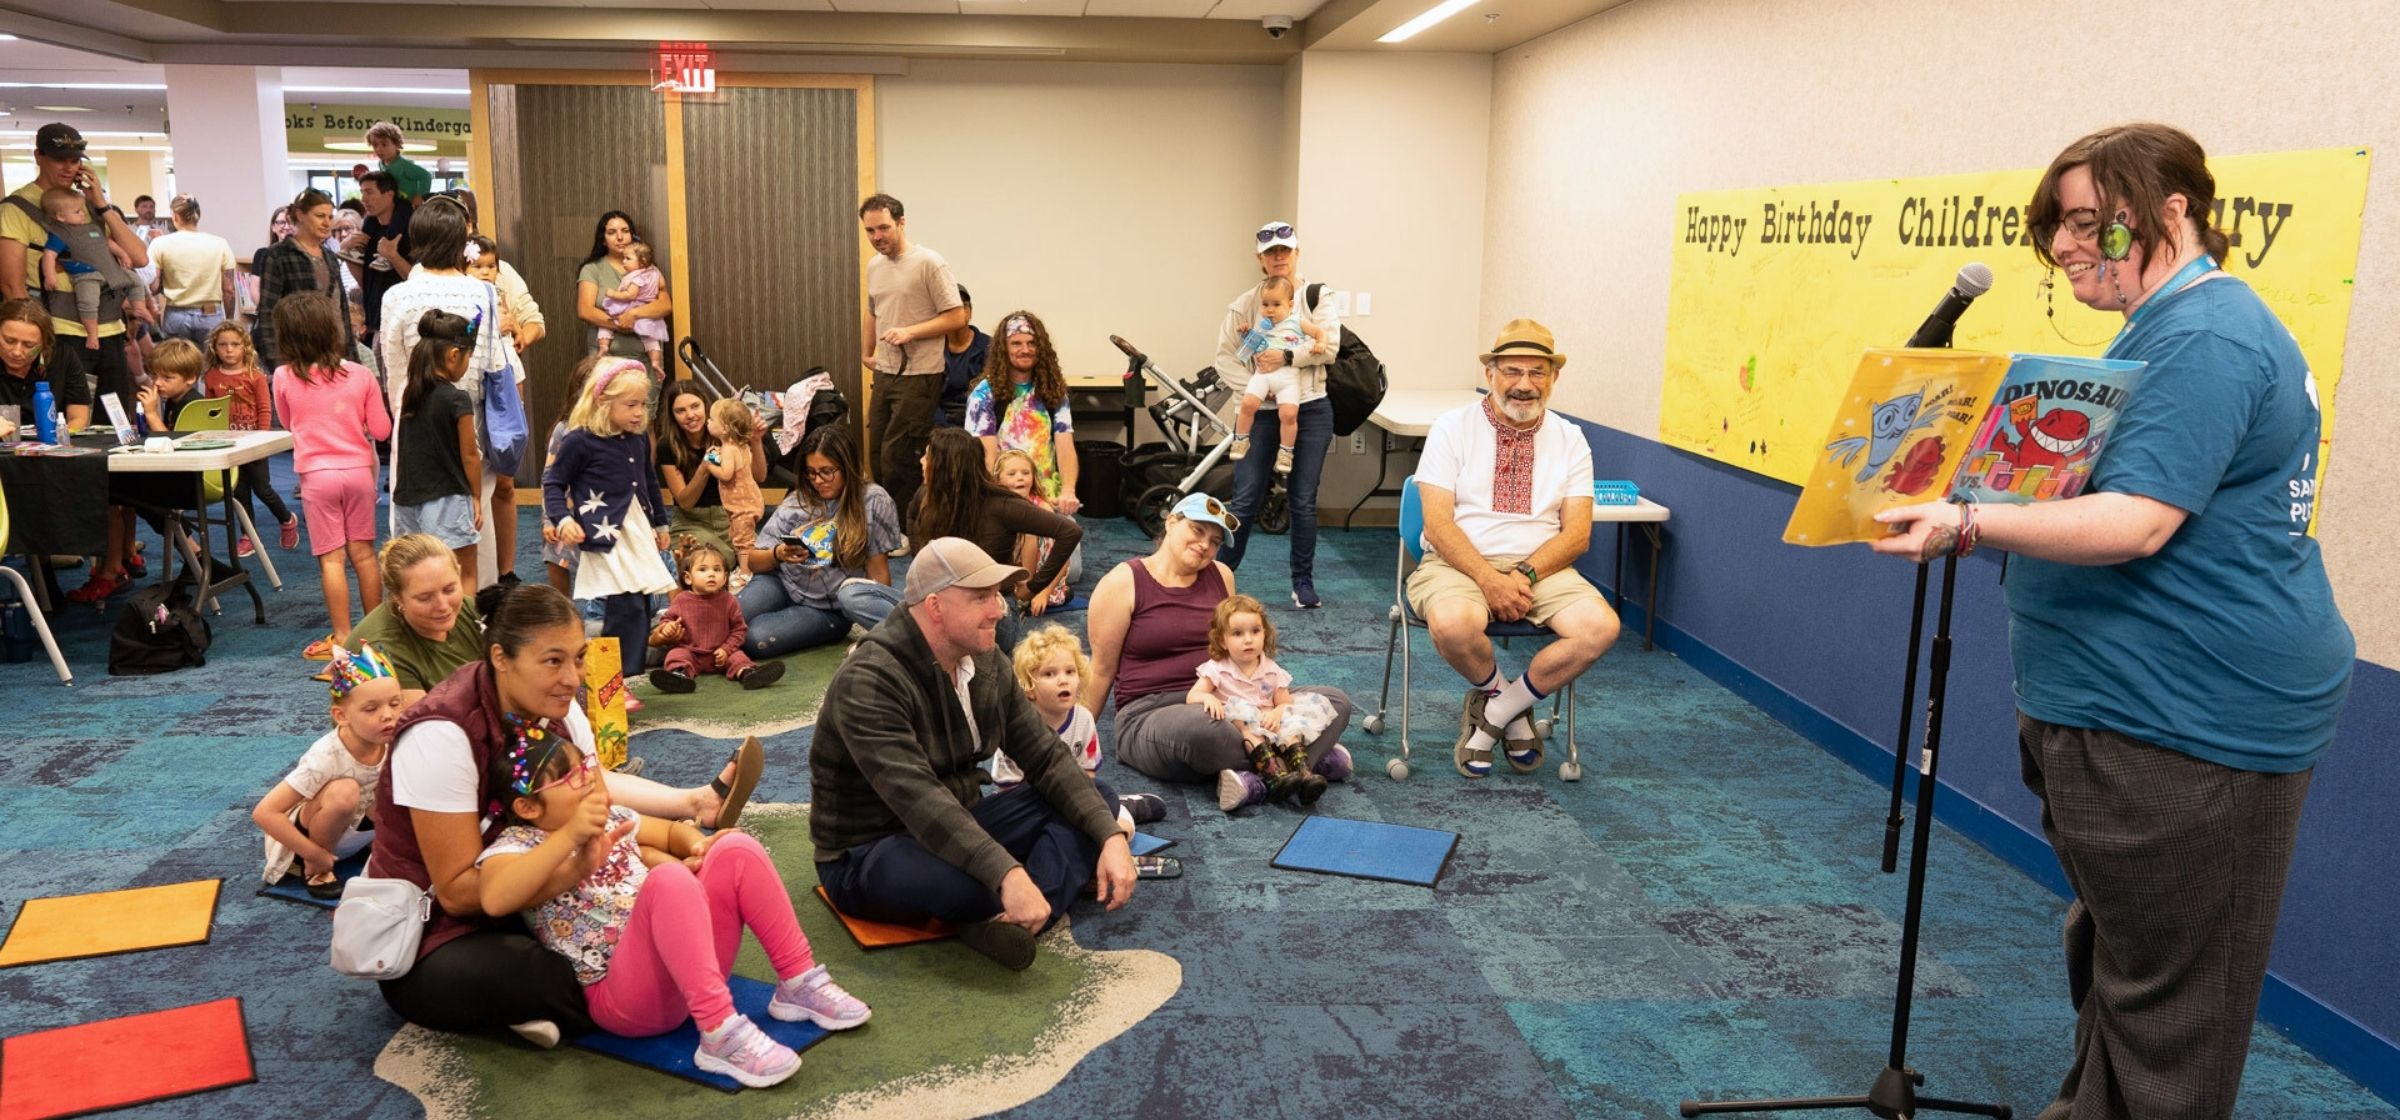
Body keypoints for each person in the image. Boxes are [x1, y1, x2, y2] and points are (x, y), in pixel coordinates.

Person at [1873, 123, 2354, 1120]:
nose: (2064, 245)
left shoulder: (2209, 336)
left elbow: (2139, 521)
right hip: (2124, 704)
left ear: (2173, 211)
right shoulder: (2165, 327)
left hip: (2190, 717)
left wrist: (1967, 523)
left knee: (2170, 1011)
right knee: (2124, 962)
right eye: (2058, 225)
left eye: (2092, 223)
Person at [369, 584, 764, 1041]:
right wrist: (580, 869)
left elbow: (604, 822)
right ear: (500, 658)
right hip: (441, 926)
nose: (573, 678)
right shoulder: (441, 734)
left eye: (578, 658)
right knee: (546, 974)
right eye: (553, 661)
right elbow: (458, 894)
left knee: (638, 925)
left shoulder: (561, 711)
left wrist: (674, 865)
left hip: (541, 899)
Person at [812, 537, 1137, 970]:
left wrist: (1109, 837)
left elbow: (1046, 757)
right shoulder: (870, 679)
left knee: (1098, 800)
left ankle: (1012, 914)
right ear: (935, 606)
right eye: (981, 597)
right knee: (956, 880)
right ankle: (1018, 897)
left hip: (959, 820)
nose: (998, 610)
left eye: (997, 595)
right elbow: (920, 800)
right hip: (869, 851)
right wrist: (1006, 872)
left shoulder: (985, 661)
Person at [476, 736, 869, 1088]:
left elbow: (667, 832)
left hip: (687, 971)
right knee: (667, 879)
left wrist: (697, 845)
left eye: (585, 767)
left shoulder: (612, 817)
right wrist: (570, 838)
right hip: (624, 999)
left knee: (735, 849)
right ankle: (719, 1033)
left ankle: (798, 983)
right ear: (527, 806)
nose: (588, 780)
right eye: (569, 778)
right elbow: (495, 898)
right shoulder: (515, 844)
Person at [1410, 318, 1617, 780]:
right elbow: (1438, 524)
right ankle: (1514, 708)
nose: (1525, 384)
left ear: (1554, 377)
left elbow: (1577, 534)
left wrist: (1523, 575)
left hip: (1542, 568)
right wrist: (1489, 579)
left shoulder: (1571, 438)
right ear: (1490, 374)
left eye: (1537, 372)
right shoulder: (1451, 428)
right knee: (1452, 624)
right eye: (1512, 371)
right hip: (1458, 562)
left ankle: (1498, 712)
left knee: (1600, 628)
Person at [1085, 493, 1355, 812]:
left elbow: (1236, 649)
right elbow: (1101, 670)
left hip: (1235, 698)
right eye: (1197, 530)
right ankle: (1302, 762)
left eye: (1214, 541)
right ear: (1171, 522)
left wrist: (1273, 700)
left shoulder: (1222, 574)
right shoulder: (1122, 582)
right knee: (1207, 733)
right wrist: (1073, 741)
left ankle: (1258, 780)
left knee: (1335, 702)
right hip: (1152, 713)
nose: (1205, 545)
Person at [378, 197, 512, 585]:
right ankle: (473, 608)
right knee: (473, 520)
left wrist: (404, 412)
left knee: (412, 525)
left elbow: (393, 368)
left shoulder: (396, 295)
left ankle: (417, 602)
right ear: (460, 240)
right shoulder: (483, 293)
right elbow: (492, 363)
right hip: (469, 414)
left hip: (414, 417)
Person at [1211, 221, 1338, 609]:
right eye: (1271, 252)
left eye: (1285, 250)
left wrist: (1285, 358)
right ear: (1260, 259)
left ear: (1297, 253)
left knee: (1303, 500)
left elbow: (1329, 347)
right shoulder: (1246, 304)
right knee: (1244, 499)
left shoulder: (1316, 298)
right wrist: (1260, 384)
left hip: (1310, 409)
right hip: (1260, 412)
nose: (1278, 257)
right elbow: (1225, 358)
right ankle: (1217, 580)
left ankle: (1303, 582)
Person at [271, 290, 393, 655]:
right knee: (364, 555)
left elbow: (288, 422)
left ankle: (342, 636)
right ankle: (375, 635)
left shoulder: (282, 376)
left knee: (332, 560)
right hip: (358, 473)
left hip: (316, 476)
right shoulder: (360, 374)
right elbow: (382, 430)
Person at [0, 124, 148, 409]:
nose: (69, 168)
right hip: (61, 332)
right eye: (60, 159)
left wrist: (101, 204)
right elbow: (11, 286)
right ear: (39, 156)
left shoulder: (87, 205)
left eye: (75, 160)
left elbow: (139, 258)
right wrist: (37, 342)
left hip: (110, 329)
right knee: (70, 419)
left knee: (114, 419)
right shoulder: (15, 209)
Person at [542, 357, 673, 675]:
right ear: (603, 402)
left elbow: (649, 481)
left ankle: (625, 673)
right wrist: (562, 520)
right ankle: (618, 676)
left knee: (640, 601)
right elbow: (553, 483)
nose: (639, 412)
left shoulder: (638, 438)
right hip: (605, 532)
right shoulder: (578, 441)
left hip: (636, 530)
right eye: (631, 405)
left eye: (643, 404)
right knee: (623, 603)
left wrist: (660, 523)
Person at [736, 424, 903, 658]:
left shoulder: (874, 501)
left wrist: (875, 627)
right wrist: (778, 553)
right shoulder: (798, 500)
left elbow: (878, 573)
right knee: (728, 619)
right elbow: (753, 561)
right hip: (781, 583)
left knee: (755, 638)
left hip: (829, 608)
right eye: (811, 472)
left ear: (848, 467)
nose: (818, 480)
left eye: (827, 471)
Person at [911, 427, 1081, 652]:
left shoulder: (1001, 505)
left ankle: (939, 644)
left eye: (927, 456)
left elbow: (1070, 532)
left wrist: (1034, 588)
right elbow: (912, 515)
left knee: (930, 627)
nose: (922, 461)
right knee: (866, 599)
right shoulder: (926, 497)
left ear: (945, 466)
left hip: (992, 610)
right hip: (945, 602)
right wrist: (920, 557)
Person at [252, 644, 401, 897]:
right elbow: (265, 813)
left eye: (395, 704)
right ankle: (315, 871)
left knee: (400, 781)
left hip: (353, 832)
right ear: (341, 716)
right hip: (305, 845)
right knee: (345, 791)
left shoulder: (392, 740)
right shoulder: (326, 756)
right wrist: (313, 854)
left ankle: (380, 848)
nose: (388, 715)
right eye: (371, 709)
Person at [858, 193, 965, 529]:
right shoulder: (875, 266)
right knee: (877, 452)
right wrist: (866, 352)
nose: (877, 237)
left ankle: (906, 527)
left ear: (901, 223)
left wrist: (911, 332)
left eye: (883, 228)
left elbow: (957, 316)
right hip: (886, 372)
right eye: (870, 231)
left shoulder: (930, 263)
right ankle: (887, 522)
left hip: (921, 374)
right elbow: (873, 310)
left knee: (900, 455)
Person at [1002, 625, 1170, 829]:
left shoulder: (1083, 719)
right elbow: (1008, 790)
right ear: (1028, 686)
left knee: (1119, 823)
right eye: (1049, 674)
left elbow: (1088, 776)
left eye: (1070, 671)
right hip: (1028, 804)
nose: (1063, 680)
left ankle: (1121, 807)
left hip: (1074, 798)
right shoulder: (1016, 726)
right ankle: (1119, 807)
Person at [1186, 593, 1338, 805]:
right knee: (1247, 723)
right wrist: (1206, 698)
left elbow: (1285, 702)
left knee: (1290, 728)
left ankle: (1304, 776)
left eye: (1255, 631)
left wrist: (1277, 713)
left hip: (1269, 720)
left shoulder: (1272, 670)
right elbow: (1192, 695)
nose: (1248, 640)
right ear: (1222, 640)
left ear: (1265, 633)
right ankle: (1273, 776)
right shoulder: (1217, 669)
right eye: (1237, 634)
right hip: (1241, 725)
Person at [463, 233, 540, 575]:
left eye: (490, 266)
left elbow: (533, 323)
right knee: (477, 479)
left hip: (506, 380)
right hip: (471, 387)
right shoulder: (458, 296)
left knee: (505, 476)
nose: (485, 272)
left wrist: (517, 327)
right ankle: (478, 572)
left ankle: (505, 571)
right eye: (477, 266)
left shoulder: (501, 291)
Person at [392, 309, 483, 591]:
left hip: (407, 499)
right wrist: (476, 497)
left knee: (414, 575)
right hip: (447, 499)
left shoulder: (411, 394)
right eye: (468, 356)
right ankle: (463, 620)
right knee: (462, 571)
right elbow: (470, 456)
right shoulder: (457, 399)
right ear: (454, 355)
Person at [965, 310, 1081, 517]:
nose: (1025, 350)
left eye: (1032, 343)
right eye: (1016, 343)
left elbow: (1065, 445)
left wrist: (1068, 491)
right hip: (1004, 495)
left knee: (1069, 532)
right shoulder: (984, 394)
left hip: (1047, 494)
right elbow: (987, 458)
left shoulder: (1053, 390)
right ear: (1004, 349)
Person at [201, 321, 298, 556]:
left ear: (245, 346)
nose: (229, 350)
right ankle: (249, 535)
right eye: (223, 345)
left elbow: (265, 408)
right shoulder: (212, 377)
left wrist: (261, 439)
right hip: (229, 443)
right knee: (239, 492)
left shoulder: (256, 377)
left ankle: (286, 519)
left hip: (253, 443)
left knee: (262, 488)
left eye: (235, 344)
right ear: (214, 348)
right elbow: (210, 411)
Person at [646, 538, 783, 694]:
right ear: (688, 578)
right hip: (690, 652)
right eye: (703, 569)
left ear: (724, 577)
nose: (711, 574)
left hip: (721, 654)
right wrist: (668, 628)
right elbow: (667, 620)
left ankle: (748, 673)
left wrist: (726, 649)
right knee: (675, 654)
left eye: (717, 570)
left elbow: (739, 630)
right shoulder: (681, 600)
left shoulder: (729, 601)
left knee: (738, 657)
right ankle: (679, 675)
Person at [1227, 275, 1328, 475]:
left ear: (1290, 305)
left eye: (1276, 304)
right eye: (1265, 304)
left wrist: (1321, 343)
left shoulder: (1297, 322)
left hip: (1288, 379)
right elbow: (1251, 347)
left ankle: (1286, 452)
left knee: (1288, 415)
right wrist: (1246, 333)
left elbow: (1320, 332)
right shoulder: (1262, 325)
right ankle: (1241, 439)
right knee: (1247, 404)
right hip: (1263, 375)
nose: (1270, 310)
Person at [652, 383, 750, 580]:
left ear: (705, 406)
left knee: (755, 557)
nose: (690, 415)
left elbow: (759, 476)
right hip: (691, 521)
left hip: (729, 517)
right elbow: (685, 502)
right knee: (715, 562)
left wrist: (755, 441)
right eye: (680, 411)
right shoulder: (666, 445)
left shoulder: (722, 434)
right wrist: (704, 468)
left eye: (695, 406)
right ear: (672, 415)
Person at [253, 190, 355, 376]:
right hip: (299, 356)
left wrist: (352, 356)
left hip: (335, 353)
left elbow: (342, 310)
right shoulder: (278, 255)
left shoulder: (330, 256)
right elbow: (268, 312)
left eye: (330, 217)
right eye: (320, 216)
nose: (327, 223)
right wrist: (277, 364)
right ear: (300, 215)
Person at [38, 187, 146, 348]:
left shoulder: (92, 228)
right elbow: (49, 255)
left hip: (108, 272)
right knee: (88, 300)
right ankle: (92, 334)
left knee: (134, 279)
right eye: (77, 212)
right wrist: (50, 276)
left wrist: (123, 254)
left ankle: (140, 307)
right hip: (85, 275)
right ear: (60, 216)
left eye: (82, 210)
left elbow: (107, 243)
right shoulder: (60, 235)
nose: (82, 214)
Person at [576, 212, 671, 365]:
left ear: (632, 236)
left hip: (646, 362)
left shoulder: (649, 269)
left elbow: (665, 305)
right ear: (603, 240)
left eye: (625, 231)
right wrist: (620, 324)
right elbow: (585, 311)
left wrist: (633, 315)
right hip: (605, 362)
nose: (620, 237)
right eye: (612, 232)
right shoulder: (592, 269)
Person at [148, 194, 237, 345]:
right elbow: (229, 289)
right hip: (210, 314)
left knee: (177, 359)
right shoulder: (220, 243)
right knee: (211, 358)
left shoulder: (160, 244)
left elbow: (153, 287)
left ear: (175, 216)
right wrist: (229, 320)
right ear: (198, 216)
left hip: (175, 315)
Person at [0, 298, 89, 433]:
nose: (17, 352)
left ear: (44, 344)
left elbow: (78, 418)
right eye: (9, 341)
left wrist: (60, 439)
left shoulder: (63, 357)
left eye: (29, 345)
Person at [347, 171, 413, 348]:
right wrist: (348, 254)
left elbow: (417, 280)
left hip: (405, 321)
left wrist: (392, 256)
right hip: (376, 319)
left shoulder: (410, 229)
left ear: (389, 194)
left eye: (369, 192)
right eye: (362, 192)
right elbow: (365, 281)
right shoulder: (369, 229)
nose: (363, 199)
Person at [594, 240, 669, 378]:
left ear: (642, 262)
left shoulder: (637, 277)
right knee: (651, 339)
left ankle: (604, 346)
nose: (624, 261)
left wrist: (612, 293)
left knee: (607, 322)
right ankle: (655, 362)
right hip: (647, 311)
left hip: (632, 306)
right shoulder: (654, 272)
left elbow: (630, 295)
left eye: (628, 259)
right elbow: (662, 285)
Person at [704, 398, 765, 554]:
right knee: (739, 537)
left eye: (711, 419)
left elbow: (726, 474)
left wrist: (709, 464)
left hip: (741, 507)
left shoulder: (728, 448)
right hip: (750, 502)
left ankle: (745, 568)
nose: (708, 422)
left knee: (743, 543)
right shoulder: (742, 446)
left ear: (725, 429)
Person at [937, 284, 986, 427]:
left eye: (962, 307)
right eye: (950, 309)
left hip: (978, 422)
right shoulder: (931, 350)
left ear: (969, 312)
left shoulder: (990, 348)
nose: (957, 313)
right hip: (939, 424)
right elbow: (926, 397)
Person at [366, 121, 434, 202]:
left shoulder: (404, 165)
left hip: (409, 204)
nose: (379, 149)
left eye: (384, 144)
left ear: (397, 144)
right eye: (375, 145)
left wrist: (420, 196)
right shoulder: (381, 164)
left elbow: (426, 176)